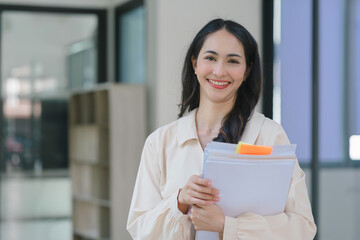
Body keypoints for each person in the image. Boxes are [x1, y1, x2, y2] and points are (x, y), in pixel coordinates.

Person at [127, 18, 317, 239]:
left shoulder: (270, 135)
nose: (219, 71)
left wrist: (227, 226)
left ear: (246, 71)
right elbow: (140, 230)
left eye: (233, 61)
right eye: (210, 58)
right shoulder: (160, 142)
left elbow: (303, 228)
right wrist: (179, 202)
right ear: (195, 63)